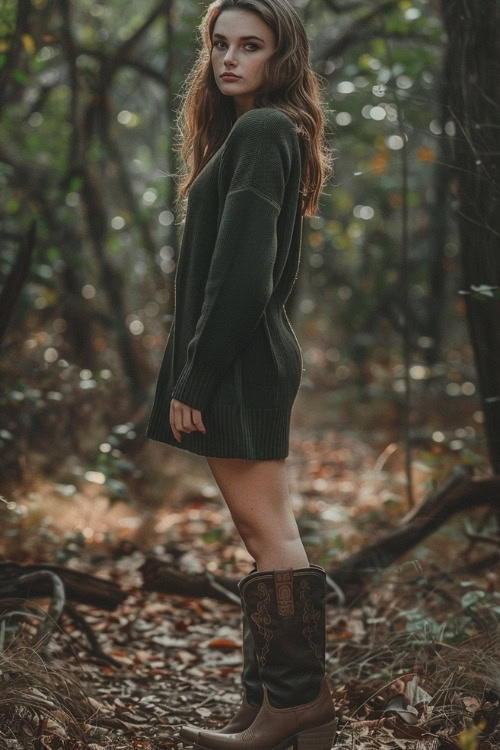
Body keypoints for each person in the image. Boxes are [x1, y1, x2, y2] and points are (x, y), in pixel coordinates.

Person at [146, 0, 337, 747]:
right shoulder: (262, 132)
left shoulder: (263, 130)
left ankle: (296, 702)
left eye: (250, 46)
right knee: (271, 535)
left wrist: (196, 377)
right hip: (254, 356)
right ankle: (272, 707)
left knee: (268, 538)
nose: (229, 58)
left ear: (280, 55)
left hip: (242, 360)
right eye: (220, 44)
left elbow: (242, 278)